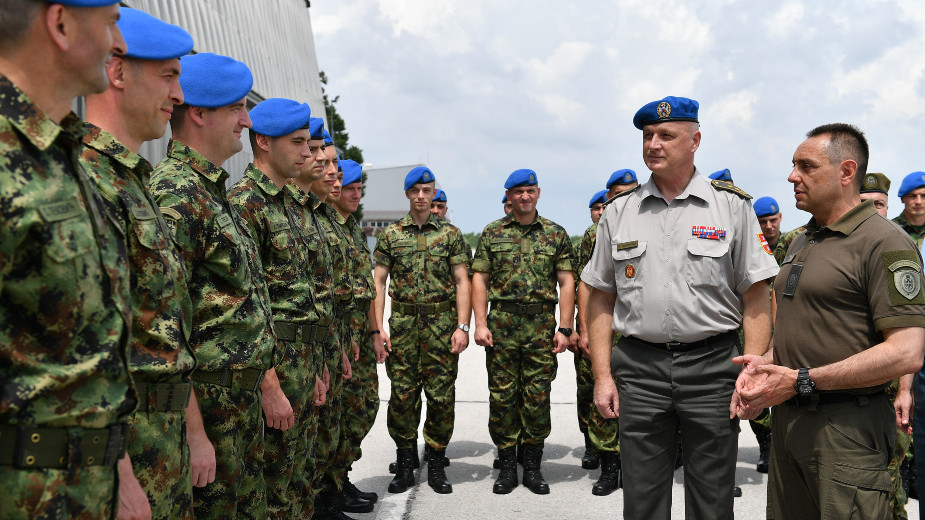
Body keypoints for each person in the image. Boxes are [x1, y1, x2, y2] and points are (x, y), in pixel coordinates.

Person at [582, 96, 778, 520]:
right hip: (640, 368)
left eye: (666, 136)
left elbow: (757, 295)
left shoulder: (731, 206)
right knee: (643, 497)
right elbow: (600, 296)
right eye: (648, 136)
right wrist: (602, 376)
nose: (654, 144)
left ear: (695, 141)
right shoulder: (619, 211)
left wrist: (754, 368)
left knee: (712, 497)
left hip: (712, 367)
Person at [736, 123, 925, 520]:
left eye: (806, 166)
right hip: (790, 423)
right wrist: (765, 365)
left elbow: (907, 351)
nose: (792, 176)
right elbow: (802, 326)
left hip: (845, 431)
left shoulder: (885, 242)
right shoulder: (804, 240)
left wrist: (804, 379)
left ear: (846, 172)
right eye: (793, 165)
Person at [0, 1, 134, 518]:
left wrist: (115, 474)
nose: (118, 43)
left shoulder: (61, 157)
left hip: (82, 489)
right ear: (59, 24)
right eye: (109, 21)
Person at [149, 52, 288, 520]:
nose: (247, 121)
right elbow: (167, 329)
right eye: (236, 108)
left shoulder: (210, 191)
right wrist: (194, 433)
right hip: (209, 408)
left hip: (237, 404)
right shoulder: (176, 195)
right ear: (200, 114)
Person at [79, 8, 196, 519]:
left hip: (161, 439)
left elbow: (167, 330)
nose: (179, 95)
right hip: (120, 450)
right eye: (169, 76)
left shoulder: (137, 183)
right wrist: (118, 468)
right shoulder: (87, 177)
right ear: (118, 72)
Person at [226, 98, 319, 519]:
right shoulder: (245, 204)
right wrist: (269, 385)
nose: (308, 152)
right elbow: (247, 306)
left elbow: (300, 298)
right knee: (273, 488)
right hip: (274, 369)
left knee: (297, 478)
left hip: (301, 363)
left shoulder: (287, 205)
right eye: (298, 142)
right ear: (262, 142)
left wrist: (317, 365)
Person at [472, 169, 576, 495]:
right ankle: (506, 467)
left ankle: (532, 466)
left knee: (537, 396)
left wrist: (565, 327)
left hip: (541, 326)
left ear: (539, 192)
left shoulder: (555, 234)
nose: (525, 197)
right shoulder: (493, 233)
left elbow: (567, 281)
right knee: (502, 398)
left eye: (530, 190)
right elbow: (480, 280)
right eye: (518, 192)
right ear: (509, 196)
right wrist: (480, 323)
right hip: (502, 324)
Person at [373, 166, 472, 495]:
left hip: (441, 327)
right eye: (415, 190)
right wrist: (377, 328)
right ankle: (404, 462)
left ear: (433, 194)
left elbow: (462, 281)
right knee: (402, 396)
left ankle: (438, 461)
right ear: (407, 194)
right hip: (402, 326)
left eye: (426, 190)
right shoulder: (391, 235)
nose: (420, 196)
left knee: (442, 397)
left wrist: (462, 326)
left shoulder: (450, 235)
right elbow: (379, 281)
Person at [285, 118, 338, 519]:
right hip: (276, 367)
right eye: (306, 146)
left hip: (310, 355)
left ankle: (326, 497)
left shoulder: (308, 213)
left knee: (301, 463)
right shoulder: (253, 205)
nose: (317, 159)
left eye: (318, 149)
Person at [330, 158, 384, 508]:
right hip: (336, 341)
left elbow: (367, 288)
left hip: (359, 338)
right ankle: (331, 488)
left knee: (364, 407)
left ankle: (341, 475)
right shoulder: (327, 225)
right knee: (339, 415)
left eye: (359, 188)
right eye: (349, 187)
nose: (356, 194)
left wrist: (375, 330)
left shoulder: (351, 228)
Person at [574, 188, 622, 496]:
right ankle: (608, 466)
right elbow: (585, 282)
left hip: (637, 328)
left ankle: (631, 465)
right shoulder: (596, 233)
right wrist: (585, 328)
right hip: (605, 324)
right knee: (602, 394)